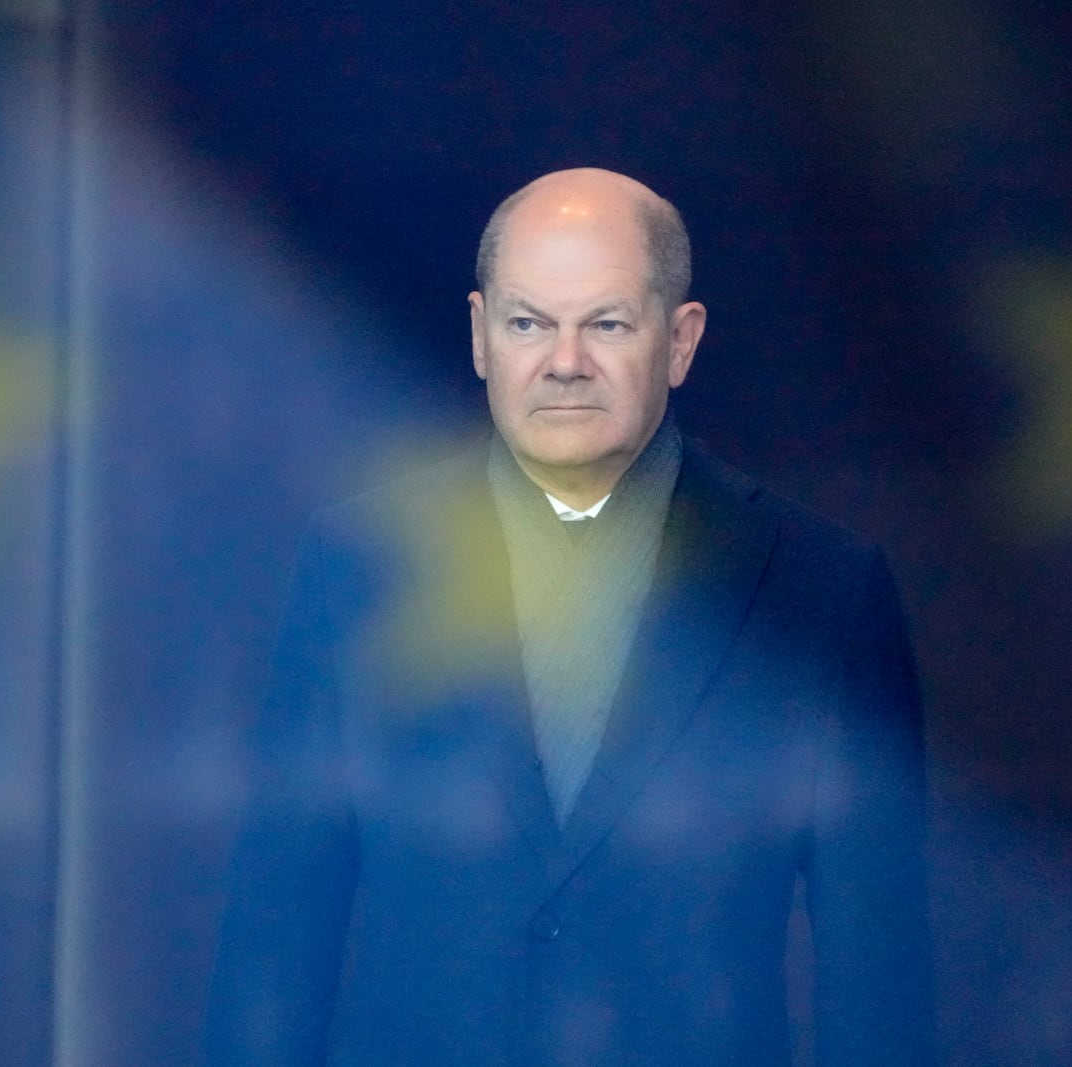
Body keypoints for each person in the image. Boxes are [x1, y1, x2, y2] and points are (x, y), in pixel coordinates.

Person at [207, 168, 936, 1066]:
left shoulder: (823, 594)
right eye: (528, 323)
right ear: (479, 336)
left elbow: (881, 1000)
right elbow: (274, 955)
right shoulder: (354, 572)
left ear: (681, 339)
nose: (564, 362)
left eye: (606, 324)